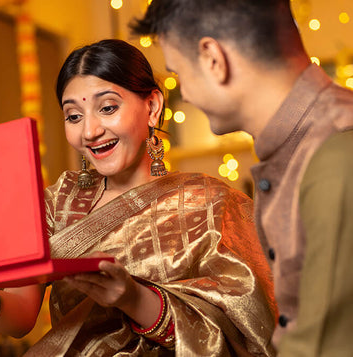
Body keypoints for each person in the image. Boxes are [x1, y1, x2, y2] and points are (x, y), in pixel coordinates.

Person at [0, 39, 277, 356]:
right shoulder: (58, 202)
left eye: (107, 108)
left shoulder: (212, 203)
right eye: (73, 116)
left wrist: (134, 299)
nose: (90, 131)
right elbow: (21, 317)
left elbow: (249, 331)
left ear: (152, 106)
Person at [130, 1, 353, 355]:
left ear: (213, 59)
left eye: (179, 73)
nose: (184, 93)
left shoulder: (333, 156)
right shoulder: (302, 148)